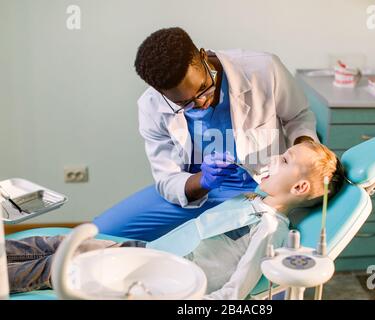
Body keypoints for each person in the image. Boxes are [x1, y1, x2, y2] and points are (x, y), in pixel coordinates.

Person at [6, 141, 344, 299]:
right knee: (63, 242)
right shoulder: (250, 201)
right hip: (148, 252)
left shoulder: (270, 230)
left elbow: (234, 292)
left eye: (283, 159)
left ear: (299, 186)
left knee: (60, 264)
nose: (273, 158)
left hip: (161, 278)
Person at [92, 27, 319, 241]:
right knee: (100, 233)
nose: (201, 103)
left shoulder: (263, 69)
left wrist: (304, 152)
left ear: (202, 56)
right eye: (185, 103)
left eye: (203, 88)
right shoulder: (151, 106)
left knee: (221, 251)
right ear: (160, 92)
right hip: (197, 192)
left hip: (258, 188)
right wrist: (204, 179)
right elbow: (167, 180)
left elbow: (298, 117)